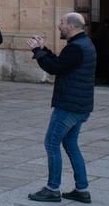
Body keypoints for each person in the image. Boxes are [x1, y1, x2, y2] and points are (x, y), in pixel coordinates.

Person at [26, 12, 96, 204]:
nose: (59, 26)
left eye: (62, 22)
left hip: (69, 105)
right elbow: (61, 63)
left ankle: (52, 189)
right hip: (80, 105)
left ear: (71, 26)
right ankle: (82, 190)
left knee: (51, 143)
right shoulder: (83, 44)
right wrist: (44, 50)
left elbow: (54, 68)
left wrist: (37, 52)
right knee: (71, 145)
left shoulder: (75, 48)